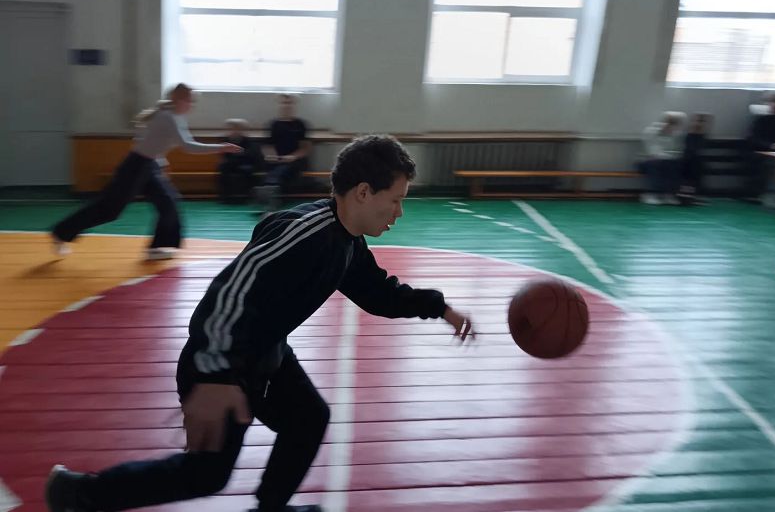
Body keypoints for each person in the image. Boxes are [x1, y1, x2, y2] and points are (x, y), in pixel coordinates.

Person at [45, 135, 476, 512]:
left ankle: (270, 507)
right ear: (364, 192)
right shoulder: (303, 233)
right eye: (396, 199)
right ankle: (79, 494)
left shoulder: (347, 242)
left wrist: (439, 308)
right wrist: (215, 375)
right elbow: (227, 296)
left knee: (308, 419)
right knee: (205, 476)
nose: (399, 212)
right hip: (220, 361)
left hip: (266, 355)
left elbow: (379, 293)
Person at [51, 84, 241, 260]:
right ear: (178, 100)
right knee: (109, 210)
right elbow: (187, 146)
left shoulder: (173, 117)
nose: (192, 105)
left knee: (168, 201)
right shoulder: (167, 116)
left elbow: (149, 140)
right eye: (189, 100)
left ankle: (158, 247)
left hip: (148, 165)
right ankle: (61, 232)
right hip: (135, 167)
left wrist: (160, 162)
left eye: (192, 101)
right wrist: (221, 147)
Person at [255, 94, 312, 211]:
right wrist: (270, 155)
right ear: (280, 105)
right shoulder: (273, 124)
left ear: (294, 105)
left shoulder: (300, 124)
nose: (287, 105)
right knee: (273, 167)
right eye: (284, 103)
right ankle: (271, 194)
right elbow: (267, 145)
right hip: (277, 159)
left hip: (295, 160)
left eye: (289, 103)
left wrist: (293, 156)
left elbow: (305, 148)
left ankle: (268, 191)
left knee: (285, 168)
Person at [639, 112, 685, 205]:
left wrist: (669, 157)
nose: (671, 125)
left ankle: (669, 194)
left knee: (675, 165)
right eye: (670, 122)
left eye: (675, 123)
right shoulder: (651, 132)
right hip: (646, 161)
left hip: (667, 162)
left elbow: (678, 152)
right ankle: (650, 194)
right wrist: (667, 157)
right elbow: (652, 153)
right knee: (654, 164)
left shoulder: (677, 135)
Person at [218, 118, 264, 203]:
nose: (234, 131)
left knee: (247, 170)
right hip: (233, 164)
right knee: (223, 168)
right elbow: (225, 155)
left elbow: (251, 155)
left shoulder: (250, 141)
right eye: (232, 128)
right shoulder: (227, 140)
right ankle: (225, 196)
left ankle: (248, 197)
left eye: (236, 128)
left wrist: (237, 154)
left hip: (247, 164)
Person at [677, 112, 712, 206]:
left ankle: (692, 195)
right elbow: (689, 151)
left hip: (696, 163)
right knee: (691, 170)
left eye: (702, 122)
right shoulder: (688, 135)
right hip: (688, 162)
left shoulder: (702, 137)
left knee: (698, 167)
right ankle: (685, 195)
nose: (699, 124)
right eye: (698, 121)